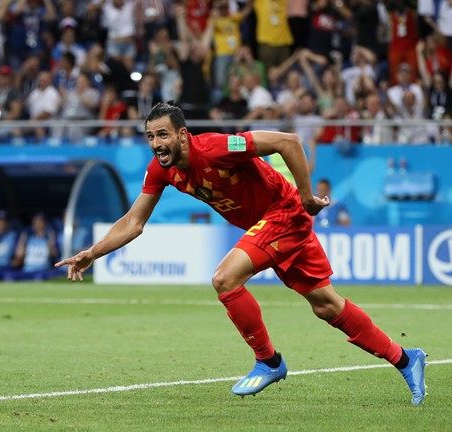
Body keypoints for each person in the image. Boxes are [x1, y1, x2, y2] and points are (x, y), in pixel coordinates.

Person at [54, 101, 427, 405]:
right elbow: (134, 221)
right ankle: (406, 359)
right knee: (326, 306)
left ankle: (269, 361)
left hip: (284, 213)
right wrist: (93, 252)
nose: (156, 143)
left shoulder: (216, 147)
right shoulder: (162, 170)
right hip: (269, 225)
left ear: (183, 135)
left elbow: (290, 142)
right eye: (150, 136)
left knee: (224, 277)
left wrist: (307, 196)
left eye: (163, 134)